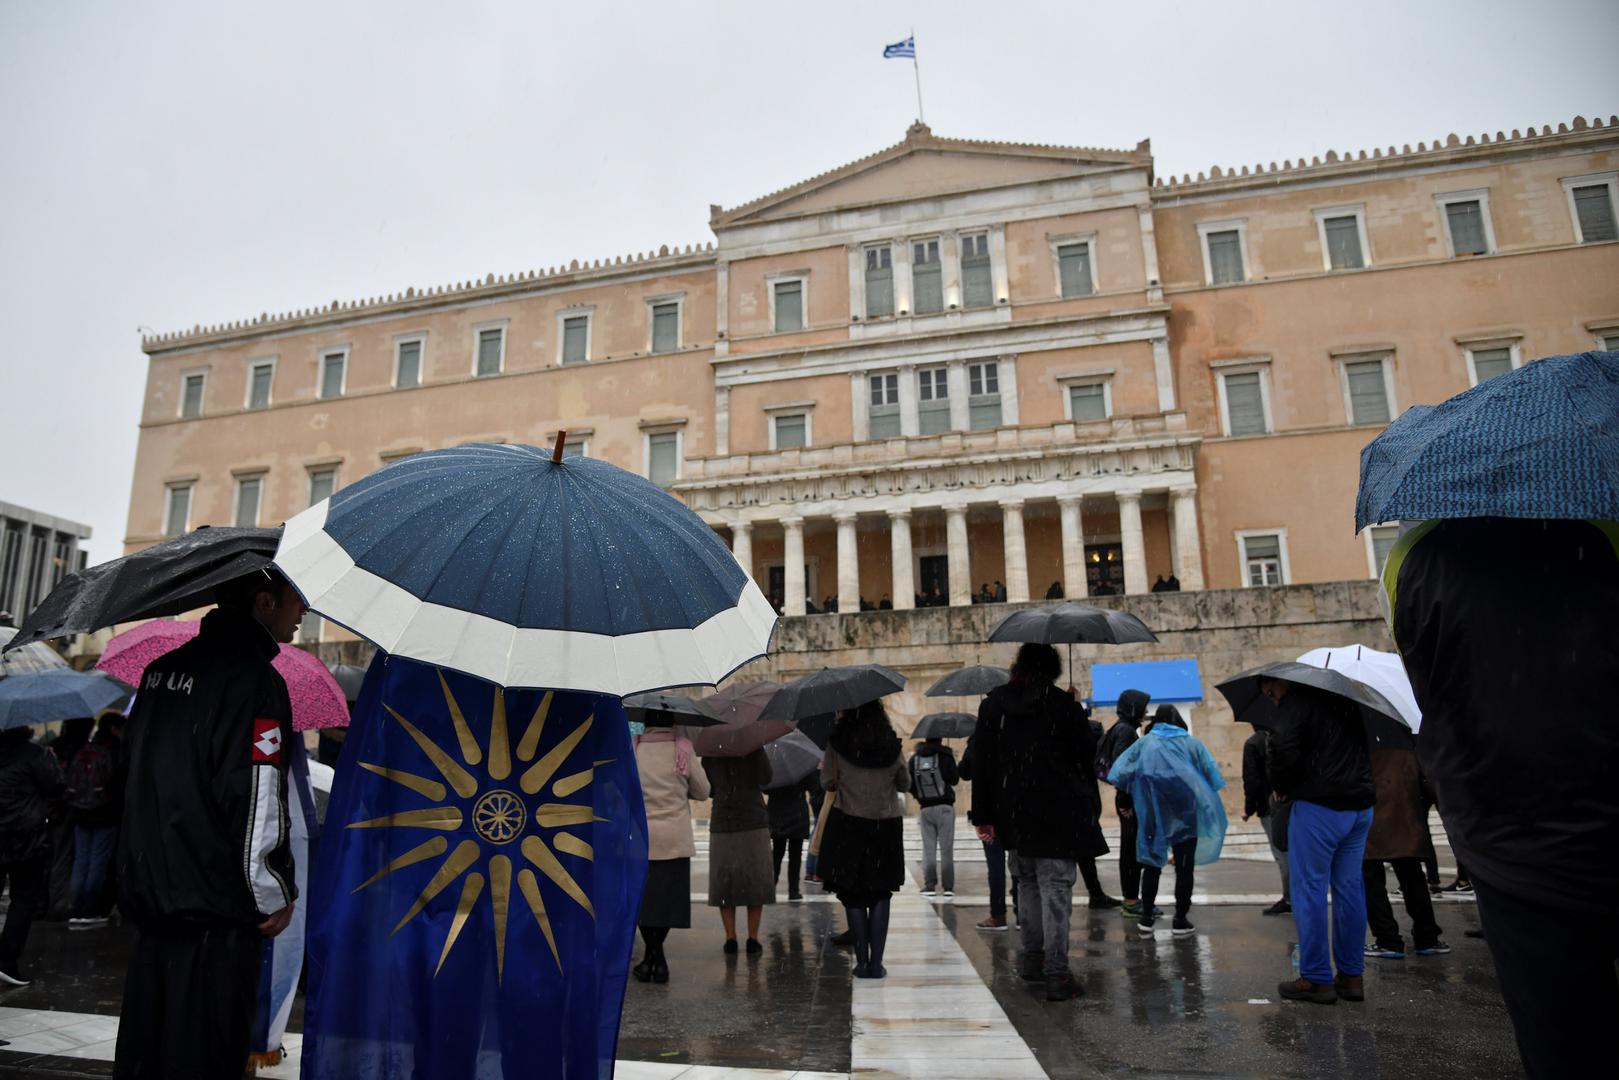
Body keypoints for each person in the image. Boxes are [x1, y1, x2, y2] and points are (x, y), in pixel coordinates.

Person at [1383, 517, 1617, 1078]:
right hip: (1599, 791)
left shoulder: (1414, 554)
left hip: (1503, 820)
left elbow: (1423, 674)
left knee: (1560, 1036)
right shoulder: (1602, 529)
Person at [115, 567, 303, 1077]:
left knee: (147, 1054)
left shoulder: (160, 671)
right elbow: (259, 795)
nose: (303, 611)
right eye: (296, 599)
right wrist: (274, 890)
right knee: (205, 1056)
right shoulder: (257, 680)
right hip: (215, 913)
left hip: (152, 895)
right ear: (264, 602)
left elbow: (130, 776)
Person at [971, 643, 1106, 1002]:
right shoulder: (1061, 704)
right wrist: (1076, 710)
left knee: (1027, 884)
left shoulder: (993, 704)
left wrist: (983, 815)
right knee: (1055, 891)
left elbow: (983, 763)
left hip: (1014, 813)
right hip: (1057, 811)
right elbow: (1085, 754)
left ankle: (1033, 961)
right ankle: (1057, 974)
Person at [1264, 678, 1375, 1006]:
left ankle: (1316, 978)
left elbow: (1281, 746)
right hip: (1360, 805)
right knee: (1350, 889)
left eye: (1271, 692)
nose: (1272, 699)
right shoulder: (1348, 701)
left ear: (1282, 683)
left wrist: (1281, 786)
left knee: (1309, 890)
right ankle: (1352, 976)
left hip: (1320, 806)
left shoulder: (1297, 702)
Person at [1108, 705, 1227, 936]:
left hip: (1153, 814)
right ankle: (1180, 919)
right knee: (1184, 868)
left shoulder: (1144, 744)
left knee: (1152, 866)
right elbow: (1212, 777)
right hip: (1185, 814)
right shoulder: (1192, 744)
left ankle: (1146, 919)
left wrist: (1129, 798)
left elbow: (1119, 773)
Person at [817, 702, 908, 978]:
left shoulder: (837, 744)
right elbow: (904, 783)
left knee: (853, 893)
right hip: (885, 826)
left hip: (848, 824)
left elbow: (827, 782)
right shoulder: (891, 745)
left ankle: (861, 962)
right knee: (881, 892)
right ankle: (877, 964)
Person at [632, 721, 710, 983]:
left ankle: (652, 959)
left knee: (644, 903)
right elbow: (703, 791)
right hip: (675, 839)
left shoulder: (634, 749)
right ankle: (658, 960)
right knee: (667, 904)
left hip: (642, 839)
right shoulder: (683, 748)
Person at [1362, 746, 1448, 961]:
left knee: (1371, 882)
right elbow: (1427, 783)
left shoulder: (1361, 741)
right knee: (1413, 878)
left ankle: (1388, 940)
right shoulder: (1407, 743)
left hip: (1370, 818)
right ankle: (1427, 937)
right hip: (1406, 818)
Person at [0, 725, 64, 985]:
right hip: (26, 836)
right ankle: (6, 960)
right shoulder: (35, 754)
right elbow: (55, 787)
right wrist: (51, 761)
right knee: (24, 899)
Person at [701, 748, 775, 955]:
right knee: (755, 880)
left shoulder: (712, 749)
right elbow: (766, 778)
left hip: (723, 819)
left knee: (724, 880)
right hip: (753, 818)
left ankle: (730, 937)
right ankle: (753, 938)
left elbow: (708, 788)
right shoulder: (752, 746)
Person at [65, 712, 126, 929]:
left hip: (80, 813)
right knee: (98, 861)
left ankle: (75, 909)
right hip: (105, 814)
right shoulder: (114, 752)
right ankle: (90, 910)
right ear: (114, 729)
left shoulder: (84, 750)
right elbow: (119, 784)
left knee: (81, 861)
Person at [1096, 689, 1150, 917]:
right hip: (1129, 799)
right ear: (1133, 708)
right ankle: (1130, 900)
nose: (1146, 712)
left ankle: (1132, 898)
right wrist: (1125, 800)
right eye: (1143, 707)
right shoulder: (1126, 731)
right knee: (1130, 850)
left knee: (1131, 848)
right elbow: (1122, 768)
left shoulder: (1123, 728)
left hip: (1128, 797)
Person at [958, 734, 1011, 932]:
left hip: (991, 812)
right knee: (1019, 866)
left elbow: (965, 772)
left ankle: (998, 915)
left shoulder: (979, 740)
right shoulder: (1014, 732)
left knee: (995, 867)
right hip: (1013, 809)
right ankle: (1023, 914)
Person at [46, 716, 95, 921]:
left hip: (55, 808)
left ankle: (54, 901)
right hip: (80, 807)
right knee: (76, 855)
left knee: (57, 855)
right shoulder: (87, 749)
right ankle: (65, 903)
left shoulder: (54, 747)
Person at [1242, 728, 1291, 915]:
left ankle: (1290, 898)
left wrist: (1249, 808)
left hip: (1270, 805)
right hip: (1294, 804)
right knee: (1293, 853)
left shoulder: (1253, 743)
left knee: (1282, 853)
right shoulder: (1287, 736)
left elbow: (1251, 780)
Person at [909, 736, 959, 899]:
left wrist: (920, 795)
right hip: (945, 807)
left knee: (928, 849)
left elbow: (909, 784)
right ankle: (948, 887)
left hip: (925, 808)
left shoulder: (915, 759)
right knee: (946, 850)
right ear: (940, 739)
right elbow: (954, 779)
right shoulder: (945, 756)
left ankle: (929, 885)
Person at [767, 773, 816, 903]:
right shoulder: (801, 767)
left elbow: (765, 789)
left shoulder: (774, 767)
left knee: (777, 853)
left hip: (778, 811)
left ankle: (771, 887)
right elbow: (812, 785)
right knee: (795, 855)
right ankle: (793, 891)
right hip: (797, 812)